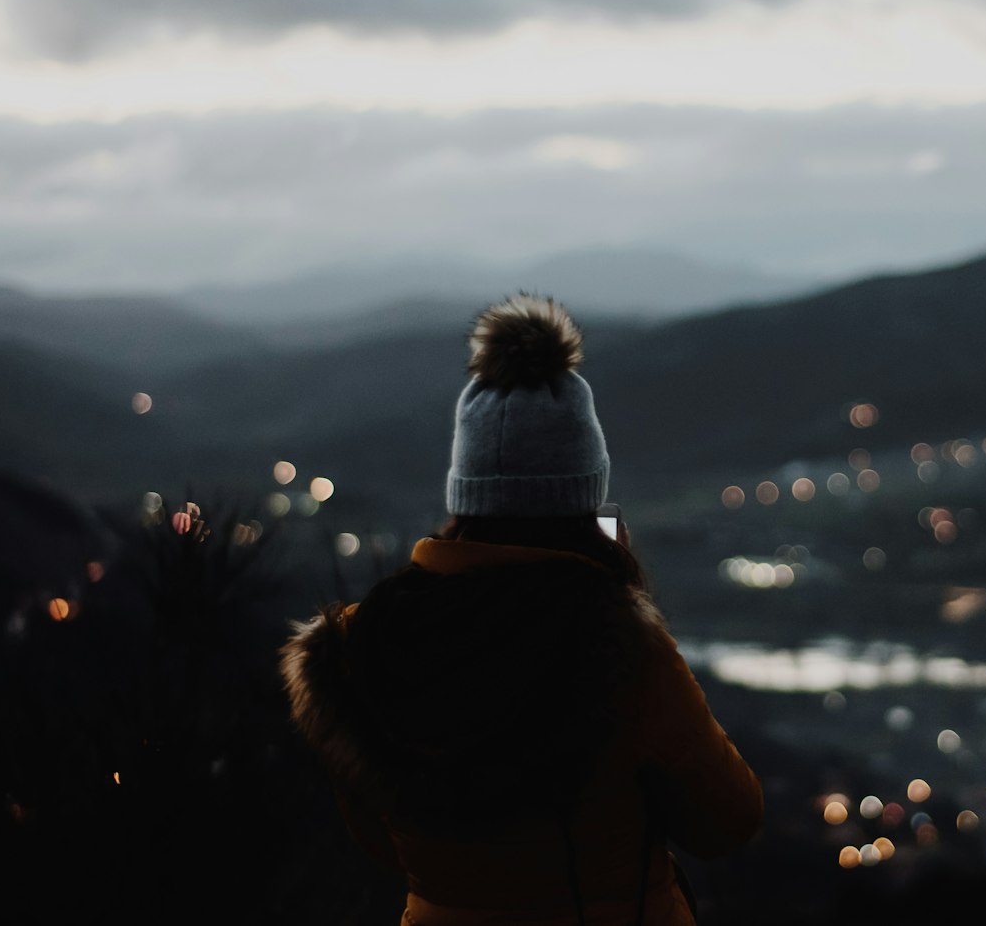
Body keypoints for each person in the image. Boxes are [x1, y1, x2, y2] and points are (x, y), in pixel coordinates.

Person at [280, 295, 763, 926]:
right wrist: (628, 598)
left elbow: (379, 839)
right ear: (587, 501)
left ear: (463, 499)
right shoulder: (617, 647)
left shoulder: (358, 646)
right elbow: (728, 821)